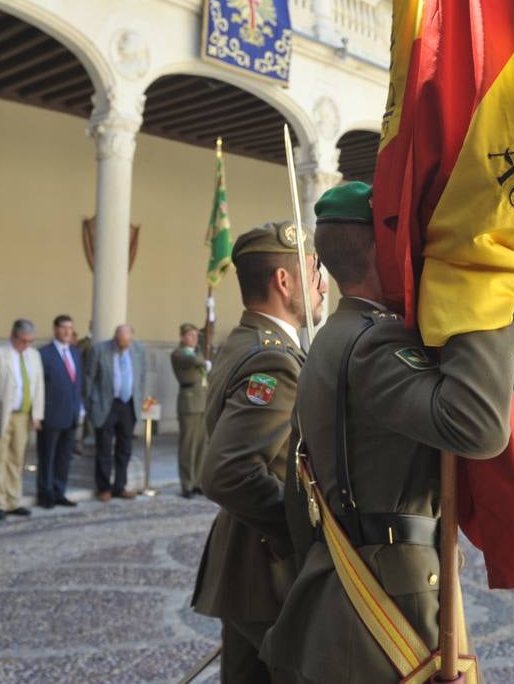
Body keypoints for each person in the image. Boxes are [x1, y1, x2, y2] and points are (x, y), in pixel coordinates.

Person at [261, 182, 514, 683]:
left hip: (343, 581)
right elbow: (480, 427)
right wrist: (482, 308)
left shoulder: (332, 338)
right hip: (393, 598)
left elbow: (297, 495)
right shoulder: (374, 341)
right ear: (386, 249)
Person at [191, 220, 324, 683]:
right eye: (315, 272)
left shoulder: (249, 340)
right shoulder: (273, 359)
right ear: (284, 281)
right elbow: (228, 472)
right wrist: (305, 530)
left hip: (247, 568)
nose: (323, 285)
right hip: (269, 569)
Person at [0, 319, 43, 520]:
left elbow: (39, 386)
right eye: (22, 340)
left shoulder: (34, 355)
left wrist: (37, 414)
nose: (26, 344)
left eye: (30, 341)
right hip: (3, 414)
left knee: (16, 459)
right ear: (13, 336)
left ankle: (13, 500)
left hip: (23, 415)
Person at [83, 324, 146, 502]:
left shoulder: (139, 350)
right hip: (106, 405)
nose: (124, 346)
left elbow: (141, 378)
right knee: (104, 447)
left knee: (125, 448)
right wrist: (90, 405)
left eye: (127, 342)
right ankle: (104, 487)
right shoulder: (99, 350)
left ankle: (120, 485)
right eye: (120, 342)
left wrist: (139, 401)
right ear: (115, 338)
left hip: (128, 405)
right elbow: (88, 379)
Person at [37, 315, 83, 509]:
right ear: (55, 329)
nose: (67, 332)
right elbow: (39, 385)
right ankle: (45, 493)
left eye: (70, 328)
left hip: (71, 414)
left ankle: (59, 491)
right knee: (47, 456)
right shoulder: (44, 354)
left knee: (64, 457)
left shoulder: (75, 353)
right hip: (51, 413)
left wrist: (79, 408)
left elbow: (77, 383)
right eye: (63, 327)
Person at [170, 323, 209, 498]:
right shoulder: (179, 353)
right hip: (189, 402)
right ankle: (186, 483)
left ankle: (197, 482)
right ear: (182, 337)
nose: (194, 339)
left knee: (201, 445)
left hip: (203, 402)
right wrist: (204, 359)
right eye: (190, 335)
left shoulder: (197, 351)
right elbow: (194, 361)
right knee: (188, 445)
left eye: (196, 335)